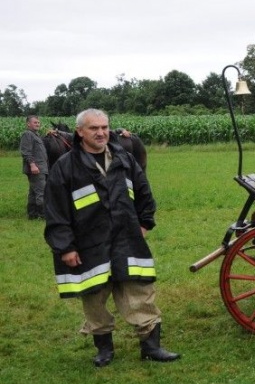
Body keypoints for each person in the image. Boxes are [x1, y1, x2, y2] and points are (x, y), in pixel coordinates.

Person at [43, 109, 179, 367]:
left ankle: (151, 347)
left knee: (140, 291)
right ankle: (104, 349)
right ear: (80, 131)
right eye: (94, 128)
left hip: (127, 240)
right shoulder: (65, 167)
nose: (101, 133)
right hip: (89, 244)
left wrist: (144, 223)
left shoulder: (124, 159)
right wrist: (66, 247)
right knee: (94, 297)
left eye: (104, 127)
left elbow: (143, 192)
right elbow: (56, 211)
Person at [20, 114, 49, 220]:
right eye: (35, 122)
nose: (37, 124)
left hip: (41, 168)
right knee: (42, 192)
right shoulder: (27, 134)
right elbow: (26, 151)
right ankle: (44, 215)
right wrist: (32, 165)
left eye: (38, 122)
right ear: (28, 124)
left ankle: (32, 214)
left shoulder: (36, 135)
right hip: (36, 168)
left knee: (33, 192)